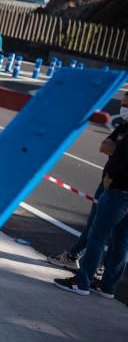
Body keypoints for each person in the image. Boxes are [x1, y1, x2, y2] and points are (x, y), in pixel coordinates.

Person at [48, 93, 128, 271]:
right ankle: (103, 276)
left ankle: (84, 272)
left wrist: (115, 169)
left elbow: (114, 151)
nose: (123, 107)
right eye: (123, 103)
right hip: (111, 182)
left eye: (126, 104)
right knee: (112, 233)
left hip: (115, 185)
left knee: (102, 233)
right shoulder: (123, 127)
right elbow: (104, 146)